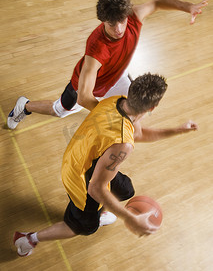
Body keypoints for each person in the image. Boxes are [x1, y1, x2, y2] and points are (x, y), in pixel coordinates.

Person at [13, 73, 198, 257]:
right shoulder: (122, 145)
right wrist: (131, 219)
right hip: (79, 177)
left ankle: (100, 213)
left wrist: (178, 130)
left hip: (82, 156)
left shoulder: (117, 100)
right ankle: (28, 239)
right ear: (153, 107)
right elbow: (95, 189)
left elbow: (139, 134)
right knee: (83, 226)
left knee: (125, 189)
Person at [7, 0, 210, 129]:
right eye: (112, 24)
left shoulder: (133, 16)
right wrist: (110, 116)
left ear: (126, 15)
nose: (119, 29)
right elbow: (84, 97)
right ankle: (24, 106)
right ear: (103, 21)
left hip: (117, 76)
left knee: (136, 104)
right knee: (57, 110)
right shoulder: (96, 48)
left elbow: (156, 3)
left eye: (121, 21)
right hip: (89, 87)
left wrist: (188, 6)